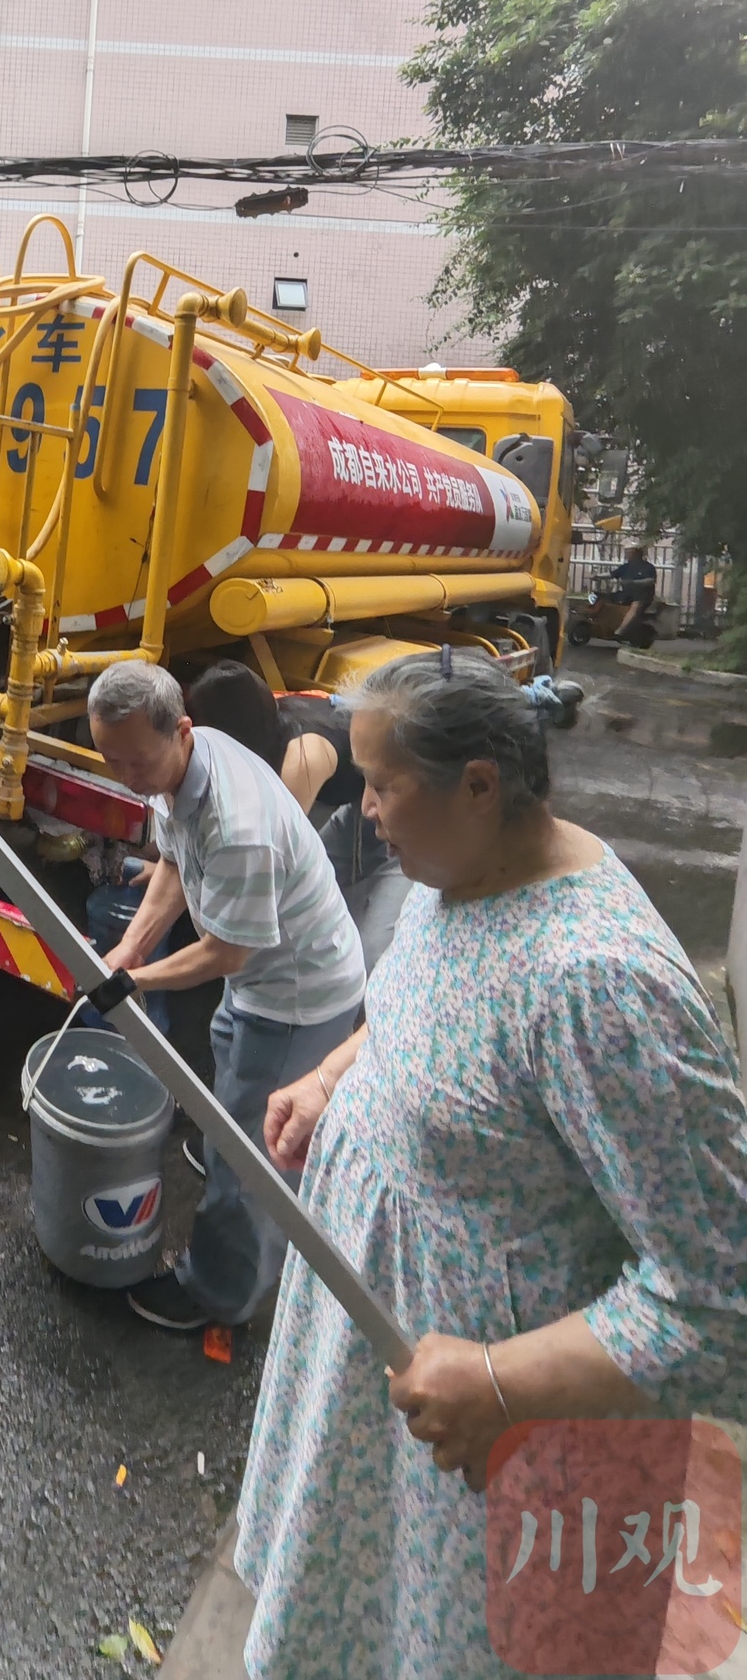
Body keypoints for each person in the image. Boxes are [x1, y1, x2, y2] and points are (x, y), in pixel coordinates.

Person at [236, 651, 747, 1680]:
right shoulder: (461, 869)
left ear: (478, 782)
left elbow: (716, 1292)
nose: (362, 808)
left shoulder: (600, 987)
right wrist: (336, 1075)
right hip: (381, 1411)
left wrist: (497, 1381)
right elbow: (421, 1007)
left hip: (498, 1448)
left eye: (381, 784)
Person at [87, 659, 365, 1333]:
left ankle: (220, 1296)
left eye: (136, 763)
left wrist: (138, 978)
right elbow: (174, 860)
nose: (128, 776)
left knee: (250, 1159)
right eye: (112, 761)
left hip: (296, 993)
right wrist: (131, 948)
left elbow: (224, 953)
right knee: (234, 1114)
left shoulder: (237, 823)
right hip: (256, 979)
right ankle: (245, 1164)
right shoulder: (183, 761)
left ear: (181, 730)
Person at [185, 660, 408, 975]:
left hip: (396, 819)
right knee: (313, 901)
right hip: (351, 807)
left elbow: (270, 851)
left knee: (370, 951)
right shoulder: (263, 718)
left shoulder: (304, 758)